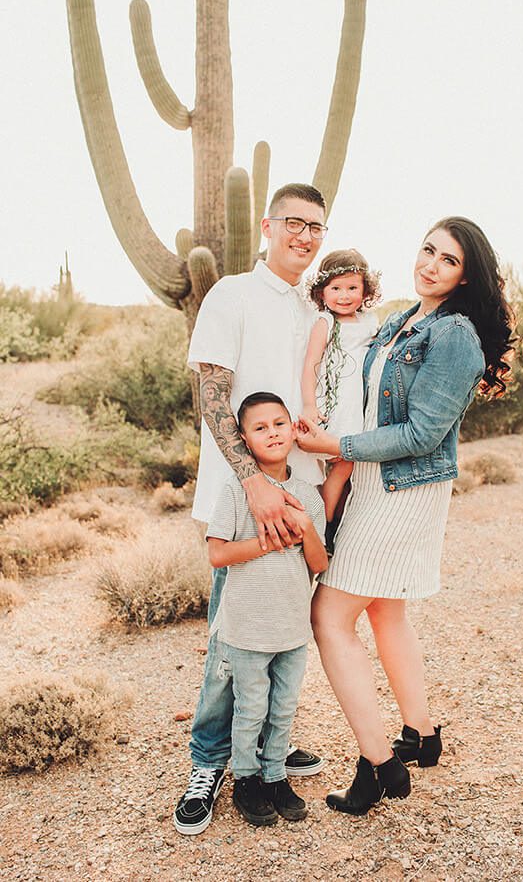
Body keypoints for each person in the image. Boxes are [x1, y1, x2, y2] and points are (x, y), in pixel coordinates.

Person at [295, 216, 516, 815]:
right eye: (428, 251)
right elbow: (368, 401)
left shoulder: (455, 335)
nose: (431, 265)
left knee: (330, 616)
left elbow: (420, 433)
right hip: (375, 478)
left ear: (467, 276)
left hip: (403, 488)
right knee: (387, 610)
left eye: (448, 261)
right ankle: (421, 733)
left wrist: (335, 447)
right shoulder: (402, 318)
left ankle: (378, 764)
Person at [176, 182, 331, 836]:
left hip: (302, 492)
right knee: (229, 646)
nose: (304, 236)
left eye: (316, 227)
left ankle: (267, 753)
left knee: (284, 632)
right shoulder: (231, 294)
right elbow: (212, 393)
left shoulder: (313, 308)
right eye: (294, 222)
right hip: (241, 498)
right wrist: (253, 481)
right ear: (267, 225)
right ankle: (209, 764)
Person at [201, 393, 328, 828]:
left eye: (279, 423)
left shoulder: (307, 495)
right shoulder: (238, 492)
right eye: (260, 427)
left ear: (294, 428)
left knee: (283, 706)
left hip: (292, 626)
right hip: (246, 628)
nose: (272, 433)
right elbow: (217, 555)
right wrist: (269, 542)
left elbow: (319, 563)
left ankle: (275, 776)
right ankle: (247, 779)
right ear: (243, 438)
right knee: (250, 707)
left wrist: (307, 528)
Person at [298, 248, 382, 531]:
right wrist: (310, 405)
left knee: (351, 466)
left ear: (365, 290)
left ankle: (335, 522)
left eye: (352, 288)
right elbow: (311, 363)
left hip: (360, 404)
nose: (344, 295)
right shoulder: (326, 322)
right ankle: (325, 524)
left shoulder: (370, 322)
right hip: (337, 403)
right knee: (342, 463)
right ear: (322, 292)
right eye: (336, 288)